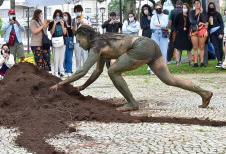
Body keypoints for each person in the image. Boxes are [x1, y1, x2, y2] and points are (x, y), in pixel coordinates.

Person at [50, 25, 213, 112]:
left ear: (86, 37)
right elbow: (96, 71)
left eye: (79, 41)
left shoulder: (96, 45)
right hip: (150, 44)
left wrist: (61, 84)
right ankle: (204, 93)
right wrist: (83, 87)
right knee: (169, 79)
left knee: (113, 71)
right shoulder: (101, 42)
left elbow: (82, 71)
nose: (79, 44)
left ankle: (131, 103)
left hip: (141, 46)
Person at [72, 5, 92, 71]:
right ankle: (78, 69)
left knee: (85, 55)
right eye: (76, 12)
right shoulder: (74, 19)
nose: (77, 13)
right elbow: (73, 30)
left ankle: (85, 70)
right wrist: (75, 23)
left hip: (85, 40)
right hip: (77, 40)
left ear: (81, 11)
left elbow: (91, 27)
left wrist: (82, 23)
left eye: (78, 11)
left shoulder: (87, 18)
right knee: (77, 56)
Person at [189, 0, 208, 68]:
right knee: (195, 47)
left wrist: (202, 12)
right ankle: (195, 63)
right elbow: (191, 20)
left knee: (202, 47)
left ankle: (202, 62)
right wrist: (200, 23)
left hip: (202, 30)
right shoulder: (192, 12)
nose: (197, 4)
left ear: (200, 4)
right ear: (194, 4)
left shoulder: (204, 12)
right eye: (196, 3)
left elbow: (205, 20)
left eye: (198, 3)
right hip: (194, 29)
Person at [48, 9, 67, 77]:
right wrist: (54, 24)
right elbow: (51, 33)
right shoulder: (51, 23)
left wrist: (62, 24)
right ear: (54, 16)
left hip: (62, 41)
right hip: (55, 41)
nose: (58, 17)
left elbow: (65, 33)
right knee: (56, 57)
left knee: (61, 57)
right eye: (56, 16)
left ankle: (62, 71)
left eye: (59, 16)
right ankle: (55, 71)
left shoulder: (63, 22)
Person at [207, 2, 224, 68]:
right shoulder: (207, 15)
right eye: (210, 6)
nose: (211, 7)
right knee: (216, 47)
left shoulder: (217, 14)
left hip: (218, 31)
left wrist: (221, 33)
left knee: (220, 47)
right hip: (212, 33)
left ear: (214, 6)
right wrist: (208, 21)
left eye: (212, 6)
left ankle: (221, 60)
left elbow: (222, 23)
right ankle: (219, 61)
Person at [63, 12, 74, 77]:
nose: (65, 17)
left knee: (69, 56)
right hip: (63, 39)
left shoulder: (71, 23)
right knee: (63, 56)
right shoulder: (61, 23)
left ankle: (69, 70)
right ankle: (62, 69)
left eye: (66, 15)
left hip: (70, 40)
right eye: (64, 15)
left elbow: (73, 31)